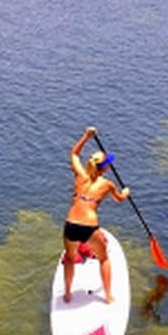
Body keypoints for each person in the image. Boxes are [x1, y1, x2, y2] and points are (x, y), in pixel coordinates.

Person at [62, 125, 130, 303]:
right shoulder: (107, 184)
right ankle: (108, 296)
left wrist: (86, 136)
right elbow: (120, 199)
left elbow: (74, 154)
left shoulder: (80, 175)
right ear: (105, 168)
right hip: (89, 227)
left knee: (70, 259)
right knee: (104, 258)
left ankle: (67, 294)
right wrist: (126, 193)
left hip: (70, 224)